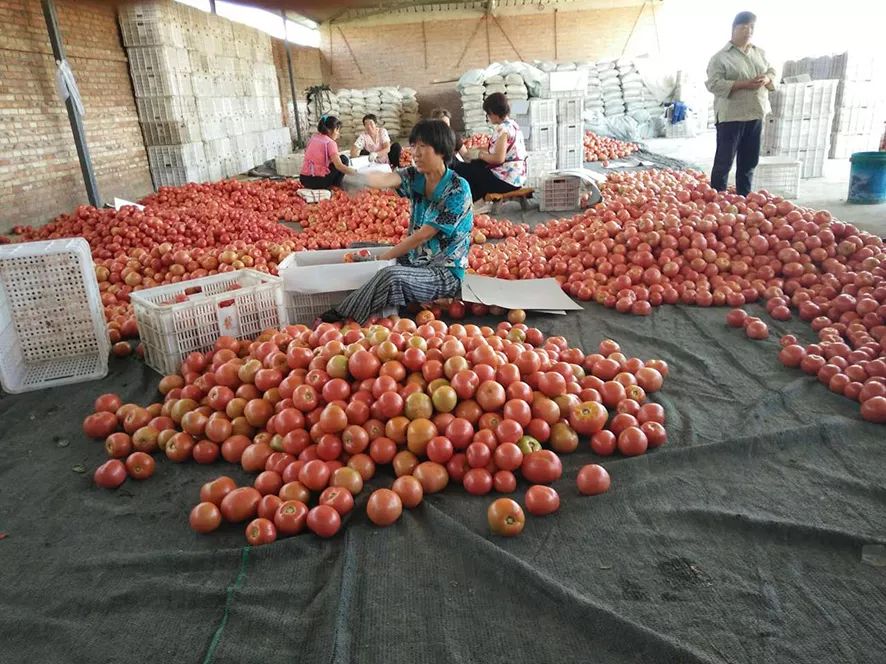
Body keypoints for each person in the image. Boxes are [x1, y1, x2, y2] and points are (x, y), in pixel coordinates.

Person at [320, 119, 473, 324]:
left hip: (443, 272)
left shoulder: (457, 189)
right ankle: (376, 294)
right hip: (415, 260)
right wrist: (360, 178)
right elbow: (387, 179)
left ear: (442, 152)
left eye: (423, 146)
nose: (416, 153)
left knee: (390, 276)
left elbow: (424, 234)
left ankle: (339, 315)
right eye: (414, 146)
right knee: (357, 249)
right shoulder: (416, 176)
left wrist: (384, 258)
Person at [705, 11, 776, 197]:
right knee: (724, 161)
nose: (748, 31)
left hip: (755, 113)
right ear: (733, 30)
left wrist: (767, 79)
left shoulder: (759, 53)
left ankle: (744, 197)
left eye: (751, 27)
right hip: (731, 116)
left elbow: (772, 71)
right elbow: (713, 84)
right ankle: (716, 199)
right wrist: (744, 84)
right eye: (744, 27)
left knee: (749, 161)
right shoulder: (720, 58)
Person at [451, 92, 527, 202]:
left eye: (488, 113)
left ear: (493, 113)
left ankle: (466, 204)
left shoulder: (503, 130)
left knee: (465, 170)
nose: (488, 117)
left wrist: (479, 154)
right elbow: (500, 151)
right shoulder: (513, 125)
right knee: (475, 166)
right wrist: (479, 151)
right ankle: (472, 204)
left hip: (507, 180)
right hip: (517, 176)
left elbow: (498, 158)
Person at [299, 115, 356, 189]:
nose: (338, 133)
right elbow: (339, 166)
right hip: (318, 182)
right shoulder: (330, 143)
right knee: (344, 159)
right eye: (337, 130)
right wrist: (356, 174)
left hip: (304, 179)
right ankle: (335, 187)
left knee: (336, 160)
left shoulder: (313, 138)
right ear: (329, 130)